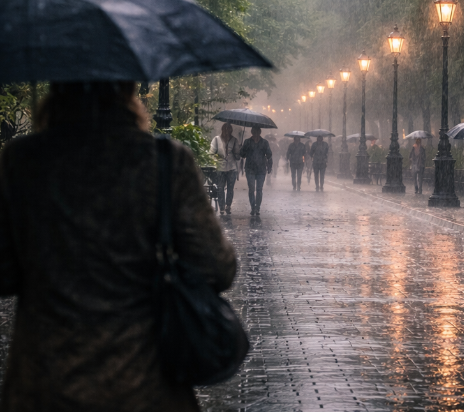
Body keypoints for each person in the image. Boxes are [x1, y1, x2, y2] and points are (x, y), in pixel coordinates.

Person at [0, 81, 236, 411]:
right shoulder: (165, 161)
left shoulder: (21, 159)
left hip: (45, 384)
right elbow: (217, 267)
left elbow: (4, 273)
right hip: (144, 383)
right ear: (127, 90)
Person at [240, 127, 273, 216]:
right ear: (252, 132)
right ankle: (253, 207)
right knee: (251, 188)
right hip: (250, 168)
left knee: (259, 189)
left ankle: (257, 207)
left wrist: (269, 166)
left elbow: (269, 155)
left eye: (257, 132)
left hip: (261, 169)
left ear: (259, 132)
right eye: (254, 132)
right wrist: (242, 148)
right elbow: (242, 154)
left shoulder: (264, 142)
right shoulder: (247, 142)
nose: (255, 134)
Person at [209, 122, 240, 214]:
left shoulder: (234, 140)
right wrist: (216, 160)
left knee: (230, 188)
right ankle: (222, 207)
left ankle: (228, 205)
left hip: (232, 168)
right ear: (222, 130)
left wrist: (238, 150)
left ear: (231, 131)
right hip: (220, 167)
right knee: (220, 188)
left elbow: (238, 156)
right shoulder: (216, 139)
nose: (227, 132)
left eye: (228, 130)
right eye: (225, 130)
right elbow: (211, 153)